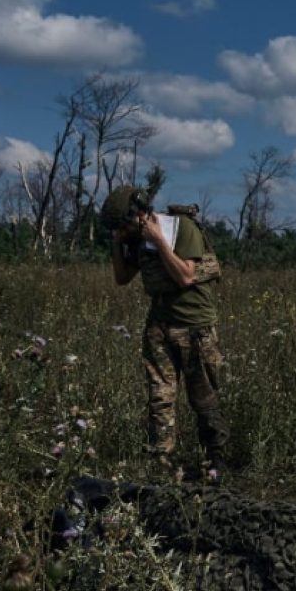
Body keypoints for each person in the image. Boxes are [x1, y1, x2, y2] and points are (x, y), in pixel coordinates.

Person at [103, 186, 228, 482]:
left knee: (204, 398)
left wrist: (158, 240)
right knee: (160, 397)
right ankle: (161, 465)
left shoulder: (179, 227)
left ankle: (215, 463)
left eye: (125, 224)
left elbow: (185, 276)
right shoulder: (135, 239)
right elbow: (122, 278)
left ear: (142, 213)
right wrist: (118, 244)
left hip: (194, 326)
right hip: (159, 326)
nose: (124, 230)